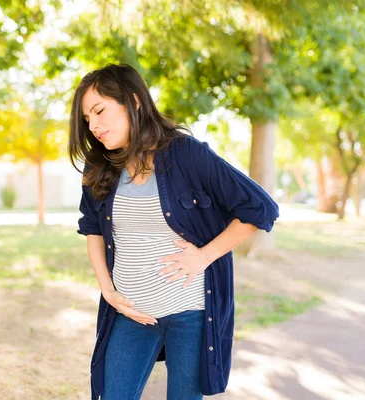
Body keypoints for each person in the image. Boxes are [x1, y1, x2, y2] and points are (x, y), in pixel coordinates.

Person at [69, 63, 279, 400]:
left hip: (189, 312)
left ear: (134, 100)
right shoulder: (100, 166)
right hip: (129, 311)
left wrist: (204, 257)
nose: (93, 125)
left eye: (99, 111)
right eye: (87, 119)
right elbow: (92, 228)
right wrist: (108, 291)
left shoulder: (186, 154)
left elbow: (260, 209)